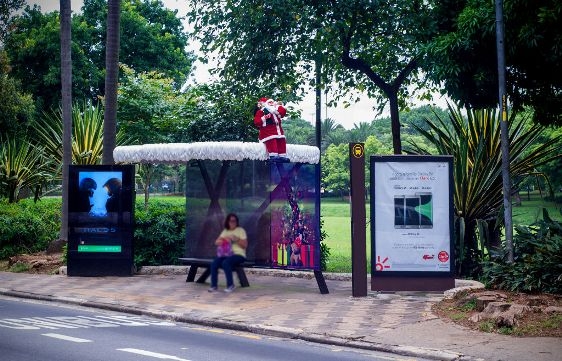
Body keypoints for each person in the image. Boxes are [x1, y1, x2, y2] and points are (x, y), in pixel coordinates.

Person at [209, 213, 248, 293]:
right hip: (226, 254)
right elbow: (217, 242)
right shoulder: (226, 231)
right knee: (214, 263)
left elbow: (245, 245)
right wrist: (224, 240)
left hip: (239, 255)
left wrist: (236, 239)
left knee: (226, 263)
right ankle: (214, 286)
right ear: (227, 222)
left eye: (235, 221)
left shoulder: (240, 230)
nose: (233, 222)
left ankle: (230, 285)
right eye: (231, 221)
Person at [253, 97, 289, 162]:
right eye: (270, 102)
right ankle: (273, 155)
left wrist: (278, 106)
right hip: (268, 133)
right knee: (271, 139)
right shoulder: (261, 111)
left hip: (279, 132)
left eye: (272, 102)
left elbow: (283, 112)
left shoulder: (276, 111)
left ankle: (282, 156)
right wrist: (264, 117)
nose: (272, 104)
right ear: (265, 104)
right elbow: (256, 122)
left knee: (282, 140)